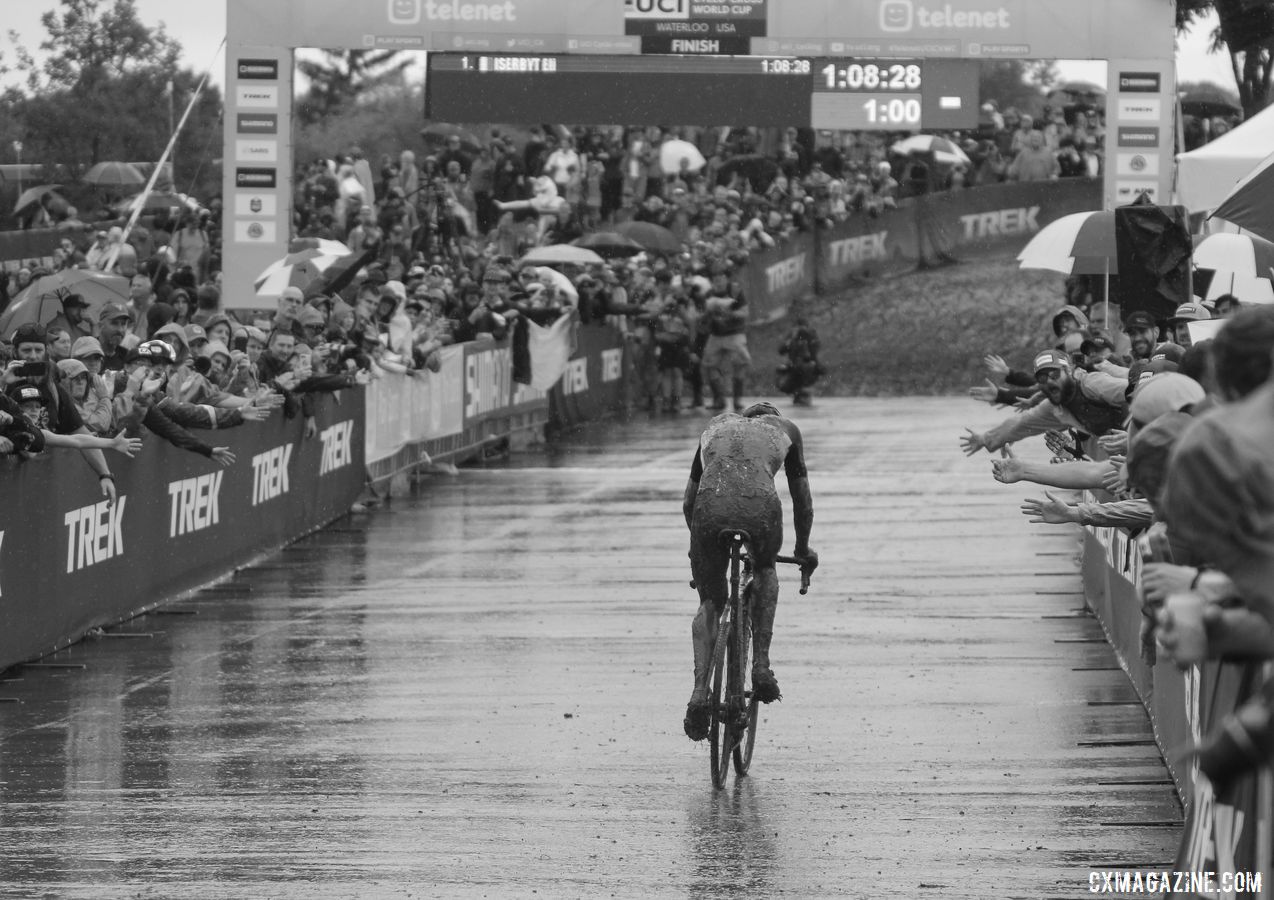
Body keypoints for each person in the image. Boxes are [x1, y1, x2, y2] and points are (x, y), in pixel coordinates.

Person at [681, 401, 818, 741]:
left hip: (710, 506)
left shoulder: (715, 427)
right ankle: (761, 665)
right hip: (758, 505)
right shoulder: (787, 430)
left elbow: (688, 501)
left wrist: (698, 550)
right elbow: (803, 502)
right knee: (765, 567)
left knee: (710, 600)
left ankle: (700, 692)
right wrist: (802, 550)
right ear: (773, 416)